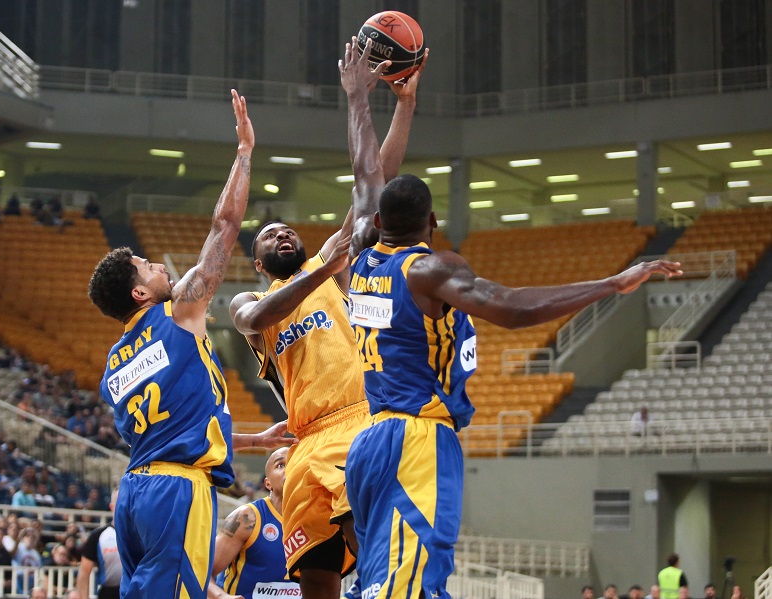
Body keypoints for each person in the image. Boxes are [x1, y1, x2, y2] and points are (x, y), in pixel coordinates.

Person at [339, 38, 684, 599]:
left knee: (379, 581)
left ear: (378, 221)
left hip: (370, 439)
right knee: (404, 589)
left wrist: (363, 98)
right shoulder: (428, 270)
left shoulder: (361, 253)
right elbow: (514, 308)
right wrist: (613, 282)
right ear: (431, 223)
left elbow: (364, 175)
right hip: (417, 439)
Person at [227, 51, 421, 599]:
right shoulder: (253, 300)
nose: (282, 234)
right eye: (269, 236)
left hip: (359, 417)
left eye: (288, 229)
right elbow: (258, 316)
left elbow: (373, 186)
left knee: (372, 532)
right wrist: (324, 268)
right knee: (318, 569)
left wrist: (403, 105)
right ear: (260, 263)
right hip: (307, 439)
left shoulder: (331, 266)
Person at [88, 90, 291, 599]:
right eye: (146, 266)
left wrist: (251, 442)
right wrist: (244, 153)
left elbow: (166, 431)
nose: (159, 265)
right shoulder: (179, 315)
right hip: (177, 490)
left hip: (133, 494)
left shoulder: (115, 364)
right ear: (139, 293)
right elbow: (225, 228)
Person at [209, 448, 298, 599]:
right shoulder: (247, 518)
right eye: (280, 465)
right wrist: (221, 597)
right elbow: (202, 572)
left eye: (295, 463)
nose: (289, 469)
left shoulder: (316, 522)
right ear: (267, 483)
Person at [77, 489, 121, 599]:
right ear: (112, 506)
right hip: (108, 593)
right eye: (120, 501)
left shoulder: (140, 534)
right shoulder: (98, 536)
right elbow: (83, 574)